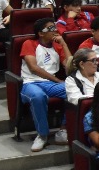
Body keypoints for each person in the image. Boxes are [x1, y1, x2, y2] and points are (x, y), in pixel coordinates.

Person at [19, 18, 72, 152]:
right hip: (31, 83)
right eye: (50, 28)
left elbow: (70, 68)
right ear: (40, 33)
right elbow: (34, 68)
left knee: (73, 89)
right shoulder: (29, 43)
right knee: (38, 96)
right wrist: (57, 80)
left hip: (50, 84)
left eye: (55, 27)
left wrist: (64, 44)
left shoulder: (57, 46)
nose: (55, 30)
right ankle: (42, 135)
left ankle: (63, 130)